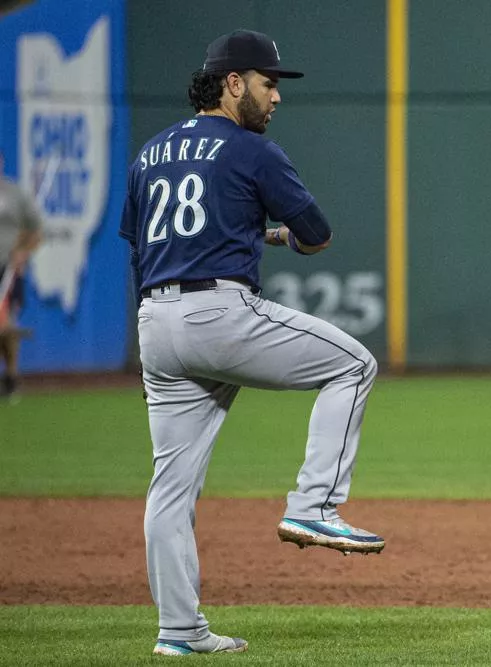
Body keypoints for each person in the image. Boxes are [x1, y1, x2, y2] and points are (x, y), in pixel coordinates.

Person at [120, 29, 383, 657]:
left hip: (154, 321)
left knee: (171, 488)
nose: (276, 98)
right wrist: (282, 238)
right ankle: (313, 503)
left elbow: (141, 245)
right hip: (220, 313)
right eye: (268, 84)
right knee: (354, 364)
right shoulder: (251, 150)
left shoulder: (150, 152)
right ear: (232, 82)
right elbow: (316, 234)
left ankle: (178, 631)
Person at [0, 150, 43, 403]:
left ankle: (11, 377)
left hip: (8, 268)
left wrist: (22, 253)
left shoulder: (15, 194)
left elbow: (35, 231)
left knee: (6, 323)